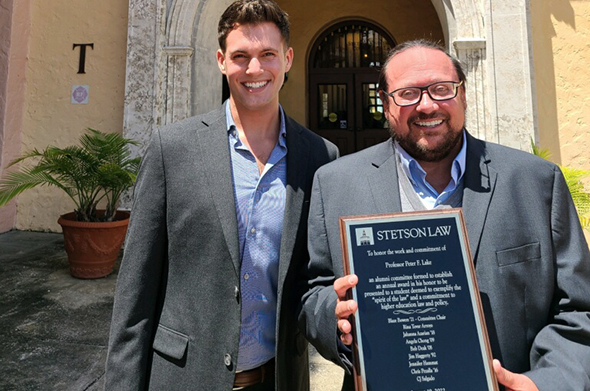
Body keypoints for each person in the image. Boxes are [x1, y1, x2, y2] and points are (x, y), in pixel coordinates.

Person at [299, 39, 590, 391]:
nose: (427, 105)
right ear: (386, 104)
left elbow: (579, 308)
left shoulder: (536, 182)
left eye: (442, 89)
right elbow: (315, 291)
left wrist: (546, 382)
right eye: (407, 93)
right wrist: (334, 319)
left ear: (463, 95)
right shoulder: (336, 184)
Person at [105, 1, 338, 390]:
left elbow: (316, 280)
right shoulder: (172, 149)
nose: (254, 69)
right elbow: (135, 292)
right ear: (220, 60)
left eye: (268, 55)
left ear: (288, 58)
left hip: (279, 378)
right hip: (184, 378)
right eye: (240, 56)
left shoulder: (318, 157)